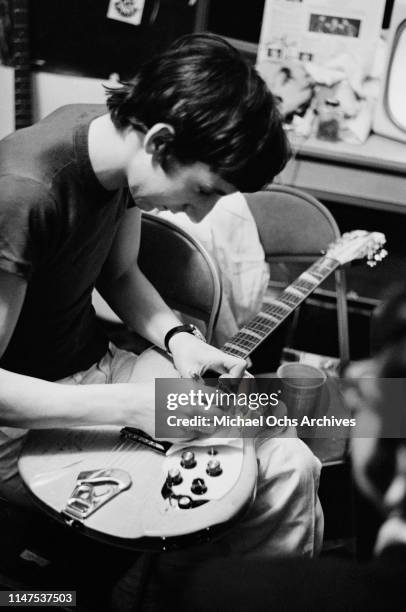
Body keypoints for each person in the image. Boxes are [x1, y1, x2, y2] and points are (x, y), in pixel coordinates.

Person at [0, 33, 322, 557]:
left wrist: (180, 341)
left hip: (98, 373)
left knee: (292, 464)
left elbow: (121, 273)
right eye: (203, 192)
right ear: (160, 142)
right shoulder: (23, 191)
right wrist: (125, 405)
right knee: (183, 509)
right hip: (23, 421)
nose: (198, 216)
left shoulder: (113, 145)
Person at [167, 285, 406, 611]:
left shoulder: (220, 591)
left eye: (380, 379)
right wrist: (179, 337)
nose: (354, 381)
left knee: (296, 462)